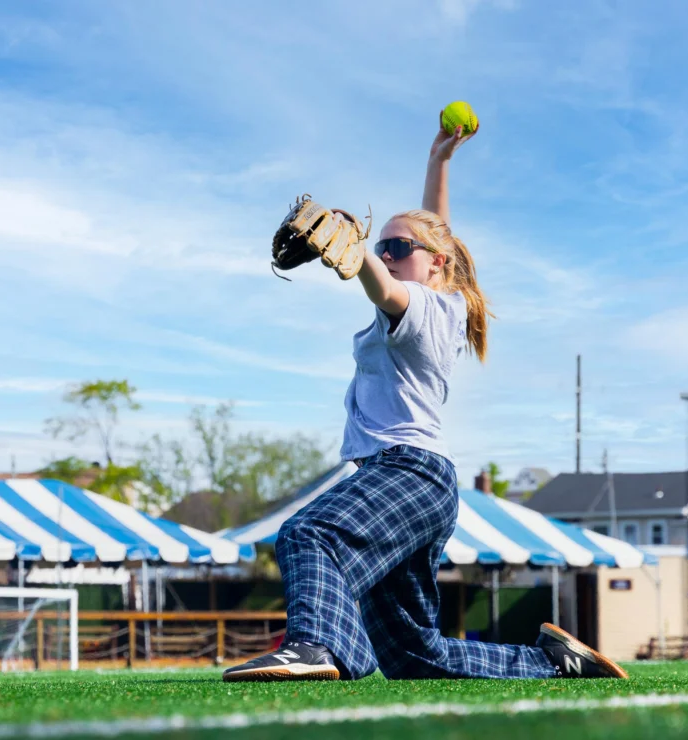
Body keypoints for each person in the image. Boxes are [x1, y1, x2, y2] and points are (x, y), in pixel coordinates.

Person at [224, 116, 627, 682]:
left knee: (308, 533)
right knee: (415, 658)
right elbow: (433, 238)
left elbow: (388, 286)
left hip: (406, 473)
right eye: (381, 244)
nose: (386, 253)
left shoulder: (420, 308)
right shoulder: (444, 302)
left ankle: (315, 647)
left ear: (436, 263)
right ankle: (552, 663)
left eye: (397, 246)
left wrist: (360, 253)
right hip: (416, 486)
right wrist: (439, 163)